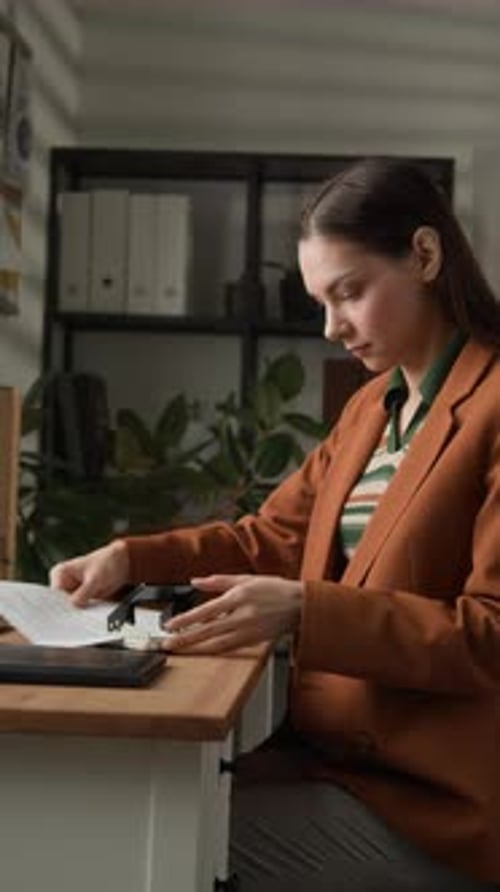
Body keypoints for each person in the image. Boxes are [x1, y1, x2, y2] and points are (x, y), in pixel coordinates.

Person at [50, 158, 500, 891]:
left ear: (424, 255)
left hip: (431, 805)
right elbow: (272, 539)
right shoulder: (373, 407)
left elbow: (490, 634)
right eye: (321, 301)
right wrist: (131, 557)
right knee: (115, 805)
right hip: (335, 764)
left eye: (349, 292)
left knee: (135, 842)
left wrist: (304, 611)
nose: (331, 327)